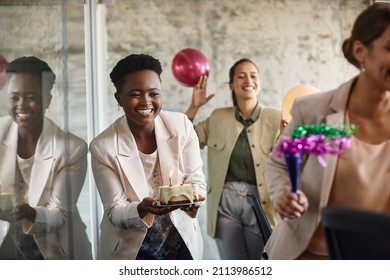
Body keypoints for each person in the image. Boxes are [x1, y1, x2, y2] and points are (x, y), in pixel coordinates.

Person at [264, 2, 390, 260]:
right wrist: (283, 193)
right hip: (307, 255)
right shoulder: (314, 110)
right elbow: (277, 164)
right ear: (360, 51)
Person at [89, 53, 206, 260]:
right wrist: (142, 209)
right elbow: (115, 211)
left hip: (180, 245)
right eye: (135, 94)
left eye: (154, 93)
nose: (146, 102)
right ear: (119, 98)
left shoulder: (182, 126)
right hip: (131, 250)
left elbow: (197, 182)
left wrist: (192, 200)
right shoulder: (102, 146)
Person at [185, 58, 282, 259]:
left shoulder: (276, 118)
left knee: (262, 263)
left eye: (253, 75)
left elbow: (290, 162)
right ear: (231, 85)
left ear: (260, 83)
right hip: (224, 203)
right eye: (241, 76)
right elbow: (184, 141)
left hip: (262, 203)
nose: (248, 79)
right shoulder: (217, 117)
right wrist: (193, 108)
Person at [0, 56, 92, 259]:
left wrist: (28, 213)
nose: (21, 105)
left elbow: (59, 214)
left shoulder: (72, 148)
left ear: (48, 100)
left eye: (31, 97)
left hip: (57, 250)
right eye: (14, 97)